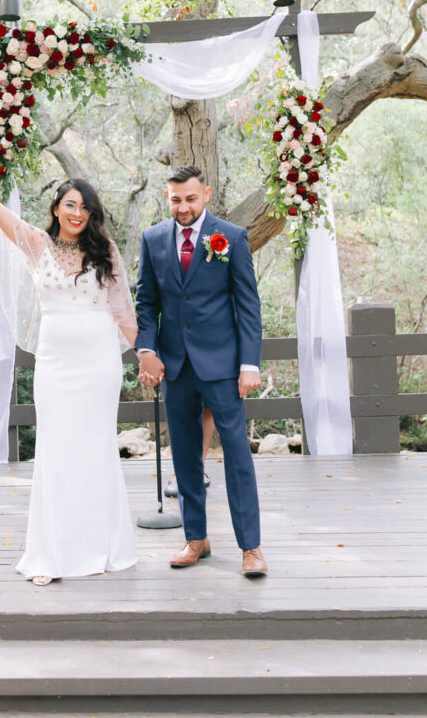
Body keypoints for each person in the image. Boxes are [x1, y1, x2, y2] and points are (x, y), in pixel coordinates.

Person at [0, 147, 137, 586]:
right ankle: (51, 554)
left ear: (93, 216)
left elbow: (123, 313)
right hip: (55, 363)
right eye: (70, 204)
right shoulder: (37, 243)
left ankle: (101, 547)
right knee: (56, 450)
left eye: (85, 208)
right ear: (56, 207)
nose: (77, 213)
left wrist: (147, 353)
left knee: (95, 451)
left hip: (99, 364)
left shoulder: (105, 251)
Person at [135, 165, 268, 578]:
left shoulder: (231, 237)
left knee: (237, 455)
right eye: (176, 199)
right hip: (176, 366)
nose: (183, 207)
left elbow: (248, 305)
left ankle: (251, 547)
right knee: (186, 456)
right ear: (167, 197)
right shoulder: (153, 239)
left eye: (191, 198)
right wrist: (146, 349)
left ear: (206, 194)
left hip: (224, 367)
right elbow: (146, 302)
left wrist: (249, 364)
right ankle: (196, 538)